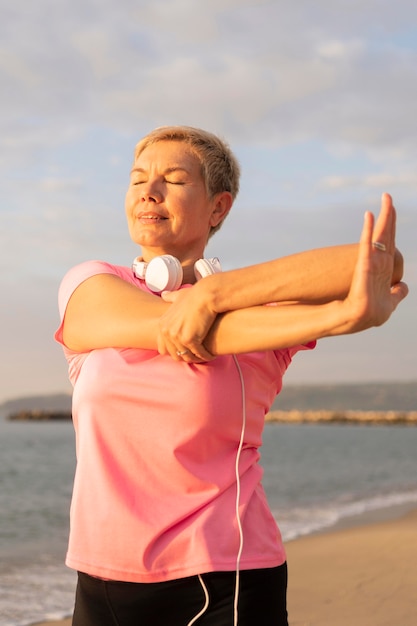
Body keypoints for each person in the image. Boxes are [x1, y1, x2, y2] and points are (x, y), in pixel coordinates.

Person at [55, 126, 407, 626]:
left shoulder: (256, 311)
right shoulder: (89, 284)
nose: (148, 192)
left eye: (173, 179)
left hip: (227, 575)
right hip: (102, 577)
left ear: (218, 208)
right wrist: (340, 316)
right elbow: (172, 329)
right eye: (138, 180)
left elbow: (382, 263)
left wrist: (213, 294)